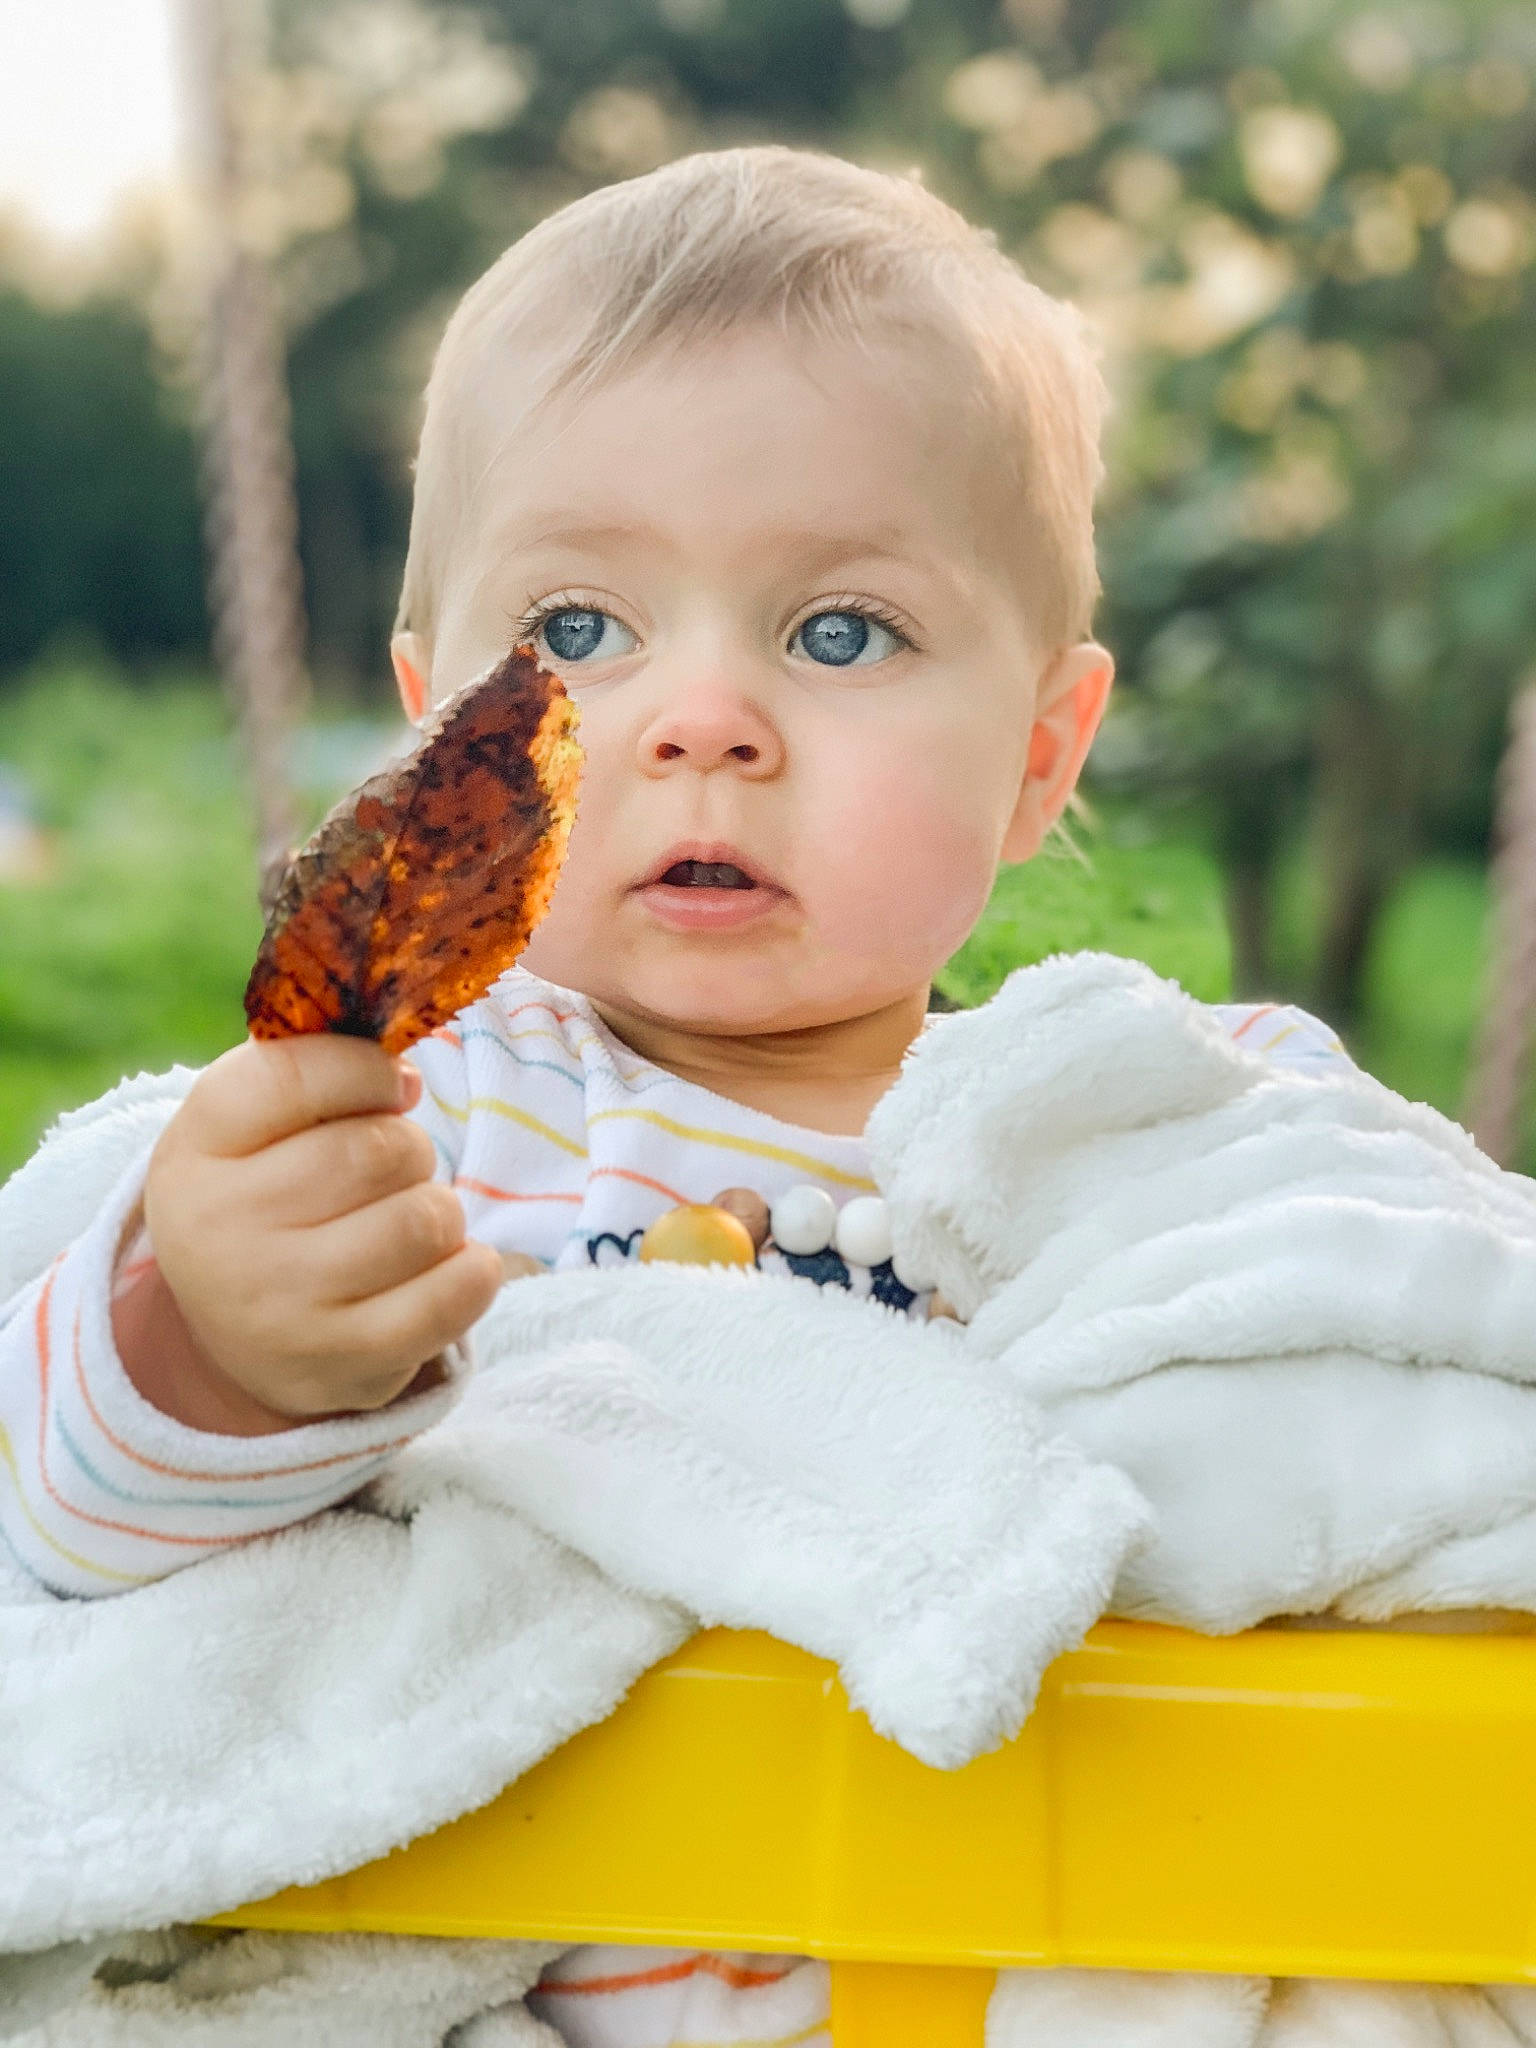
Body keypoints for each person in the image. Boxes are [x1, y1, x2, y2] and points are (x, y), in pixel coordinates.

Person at [0, 146, 1347, 2047]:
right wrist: (214, 1346)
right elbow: (60, 1535)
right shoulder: (395, 1127)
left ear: (1042, 756)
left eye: (839, 632)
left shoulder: (1147, 1138)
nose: (698, 720)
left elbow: (1384, 1404)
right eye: (573, 633)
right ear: (429, 737)